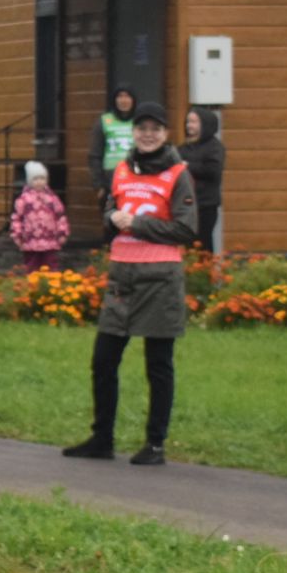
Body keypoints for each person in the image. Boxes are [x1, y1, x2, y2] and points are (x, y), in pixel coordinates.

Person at [65, 103, 197, 467]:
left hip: (160, 276)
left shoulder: (178, 173)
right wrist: (111, 217)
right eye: (142, 128)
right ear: (134, 132)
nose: (148, 134)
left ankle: (155, 444)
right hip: (122, 273)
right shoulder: (122, 169)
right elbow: (110, 210)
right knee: (104, 359)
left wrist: (136, 224)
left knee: (158, 363)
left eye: (156, 128)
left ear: (166, 134)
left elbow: (186, 229)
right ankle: (102, 438)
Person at [10, 160, 68, 273]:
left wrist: (62, 233)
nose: (39, 182)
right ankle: (33, 286)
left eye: (42, 179)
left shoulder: (52, 199)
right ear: (30, 181)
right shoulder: (24, 199)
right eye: (35, 179)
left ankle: (50, 287)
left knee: (51, 266)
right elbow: (17, 218)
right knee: (32, 267)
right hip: (30, 241)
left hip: (50, 240)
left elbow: (60, 216)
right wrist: (17, 235)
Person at [181, 108, 224, 252]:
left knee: (203, 244)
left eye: (193, 122)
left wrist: (188, 166)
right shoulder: (183, 148)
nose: (189, 125)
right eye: (188, 122)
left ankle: (205, 272)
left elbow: (213, 171)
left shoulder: (215, 147)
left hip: (205, 205)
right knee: (188, 243)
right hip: (186, 204)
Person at [88, 87, 137, 208]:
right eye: (120, 96)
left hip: (135, 176)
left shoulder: (139, 121)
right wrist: (98, 185)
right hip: (110, 179)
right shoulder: (104, 121)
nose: (123, 100)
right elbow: (95, 155)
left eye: (127, 96)